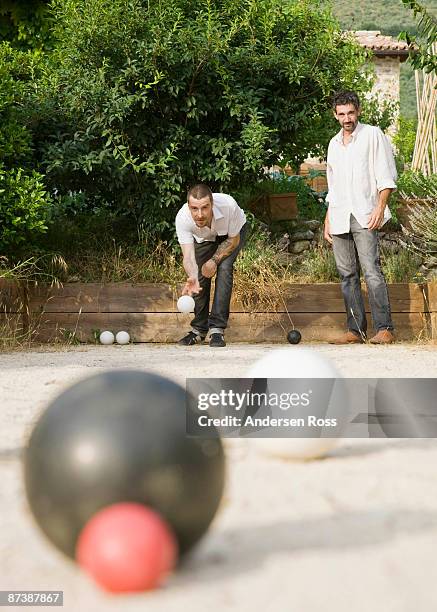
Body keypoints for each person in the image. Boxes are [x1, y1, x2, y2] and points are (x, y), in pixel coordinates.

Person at [324, 90, 397, 344]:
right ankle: (355, 330)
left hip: (365, 213)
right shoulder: (333, 144)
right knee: (347, 275)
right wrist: (327, 219)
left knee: (372, 270)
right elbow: (332, 187)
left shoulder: (372, 135)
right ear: (335, 115)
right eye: (342, 114)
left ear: (359, 111)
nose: (347, 118)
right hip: (339, 214)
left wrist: (380, 207)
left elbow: (386, 175)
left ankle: (384, 328)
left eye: (351, 113)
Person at [175, 183, 247, 347]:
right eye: (194, 209)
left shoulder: (229, 205)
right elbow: (188, 257)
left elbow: (233, 240)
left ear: (212, 204)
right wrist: (192, 276)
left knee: (224, 268)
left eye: (205, 208)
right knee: (199, 277)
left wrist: (214, 260)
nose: (199, 215)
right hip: (205, 238)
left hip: (232, 235)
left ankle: (216, 329)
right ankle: (198, 330)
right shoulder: (182, 218)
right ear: (189, 206)